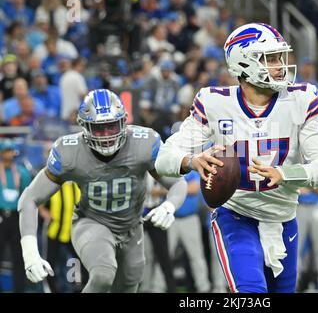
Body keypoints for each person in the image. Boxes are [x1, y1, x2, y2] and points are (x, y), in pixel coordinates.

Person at [155, 22, 318, 293]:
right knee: (251, 290)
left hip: (283, 216)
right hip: (236, 214)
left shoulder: (301, 100)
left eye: (280, 57)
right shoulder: (214, 103)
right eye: (271, 58)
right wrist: (191, 161)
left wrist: (284, 174)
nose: (280, 65)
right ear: (245, 63)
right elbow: (163, 158)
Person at [18, 89, 188, 293]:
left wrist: (170, 206)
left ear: (124, 121)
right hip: (92, 222)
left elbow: (178, 183)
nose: (107, 135)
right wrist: (30, 253)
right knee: (103, 273)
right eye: (99, 129)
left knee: (129, 284)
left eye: (112, 126)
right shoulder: (69, 151)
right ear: (84, 127)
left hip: (132, 227)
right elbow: (30, 198)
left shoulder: (144, 143)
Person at [0, 139, 32, 292]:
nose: (8, 154)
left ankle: (19, 289)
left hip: (15, 217)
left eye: (10, 150)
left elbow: (28, 197)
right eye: (6, 150)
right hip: (1, 216)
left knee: (18, 257)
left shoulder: (22, 172)